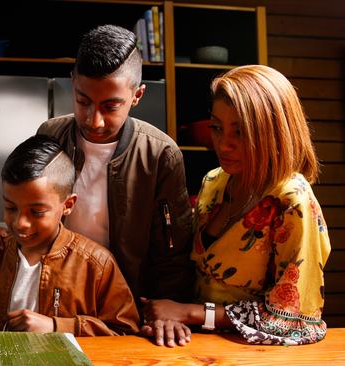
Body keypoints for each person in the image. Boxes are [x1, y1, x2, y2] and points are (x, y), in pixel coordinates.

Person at [0, 25, 193, 307]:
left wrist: (168, 307)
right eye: (83, 101)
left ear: (137, 96)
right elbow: (34, 206)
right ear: (73, 82)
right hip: (56, 298)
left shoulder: (160, 154)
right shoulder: (50, 133)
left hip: (124, 306)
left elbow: (172, 252)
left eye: (110, 106)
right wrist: (10, 236)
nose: (94, 121)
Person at [141, 64, 331, 347]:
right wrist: (171, 316)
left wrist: (193, 313)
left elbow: (293, 319)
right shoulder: (215, 182)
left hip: (258, 354)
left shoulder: (292, 200)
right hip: (198, 345)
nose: (223, 144)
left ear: (275, 131)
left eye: (240, 132)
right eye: (216, 128)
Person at [0, 135, 140, 336]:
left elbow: (125, 334)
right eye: (11, 207)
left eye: (37, 212)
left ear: (68, 205)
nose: (21, 223)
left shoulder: (97, 265)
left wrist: (56, 326)